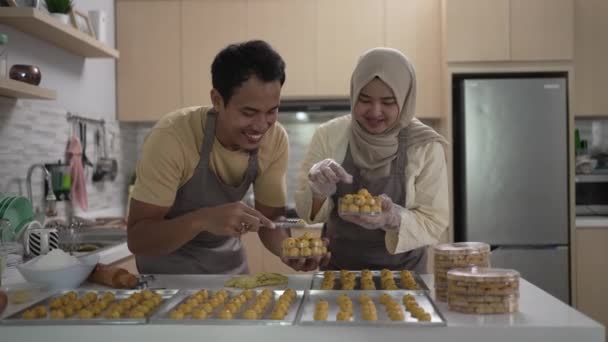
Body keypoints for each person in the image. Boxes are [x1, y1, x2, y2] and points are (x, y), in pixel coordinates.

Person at [127, 40, 291, 274]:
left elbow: (271, 219)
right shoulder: (173, 136)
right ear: (216, 100)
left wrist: (290, 250)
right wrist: (201, 220)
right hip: (167, 281)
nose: (261, 125)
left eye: (272, 111)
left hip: (230, 274)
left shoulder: (275, 139)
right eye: (248, 112)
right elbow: (138, 238)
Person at [293, 47, 449, 272]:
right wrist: (318, 192)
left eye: (388, 102)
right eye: (364, 99)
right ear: (354, 94)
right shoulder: (329, 136)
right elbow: (308, 214)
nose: (375, 112)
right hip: (338, 273)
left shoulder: (425, 145)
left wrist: (392, 218)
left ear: (405, 100)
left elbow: (435, 222)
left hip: (404, 276)